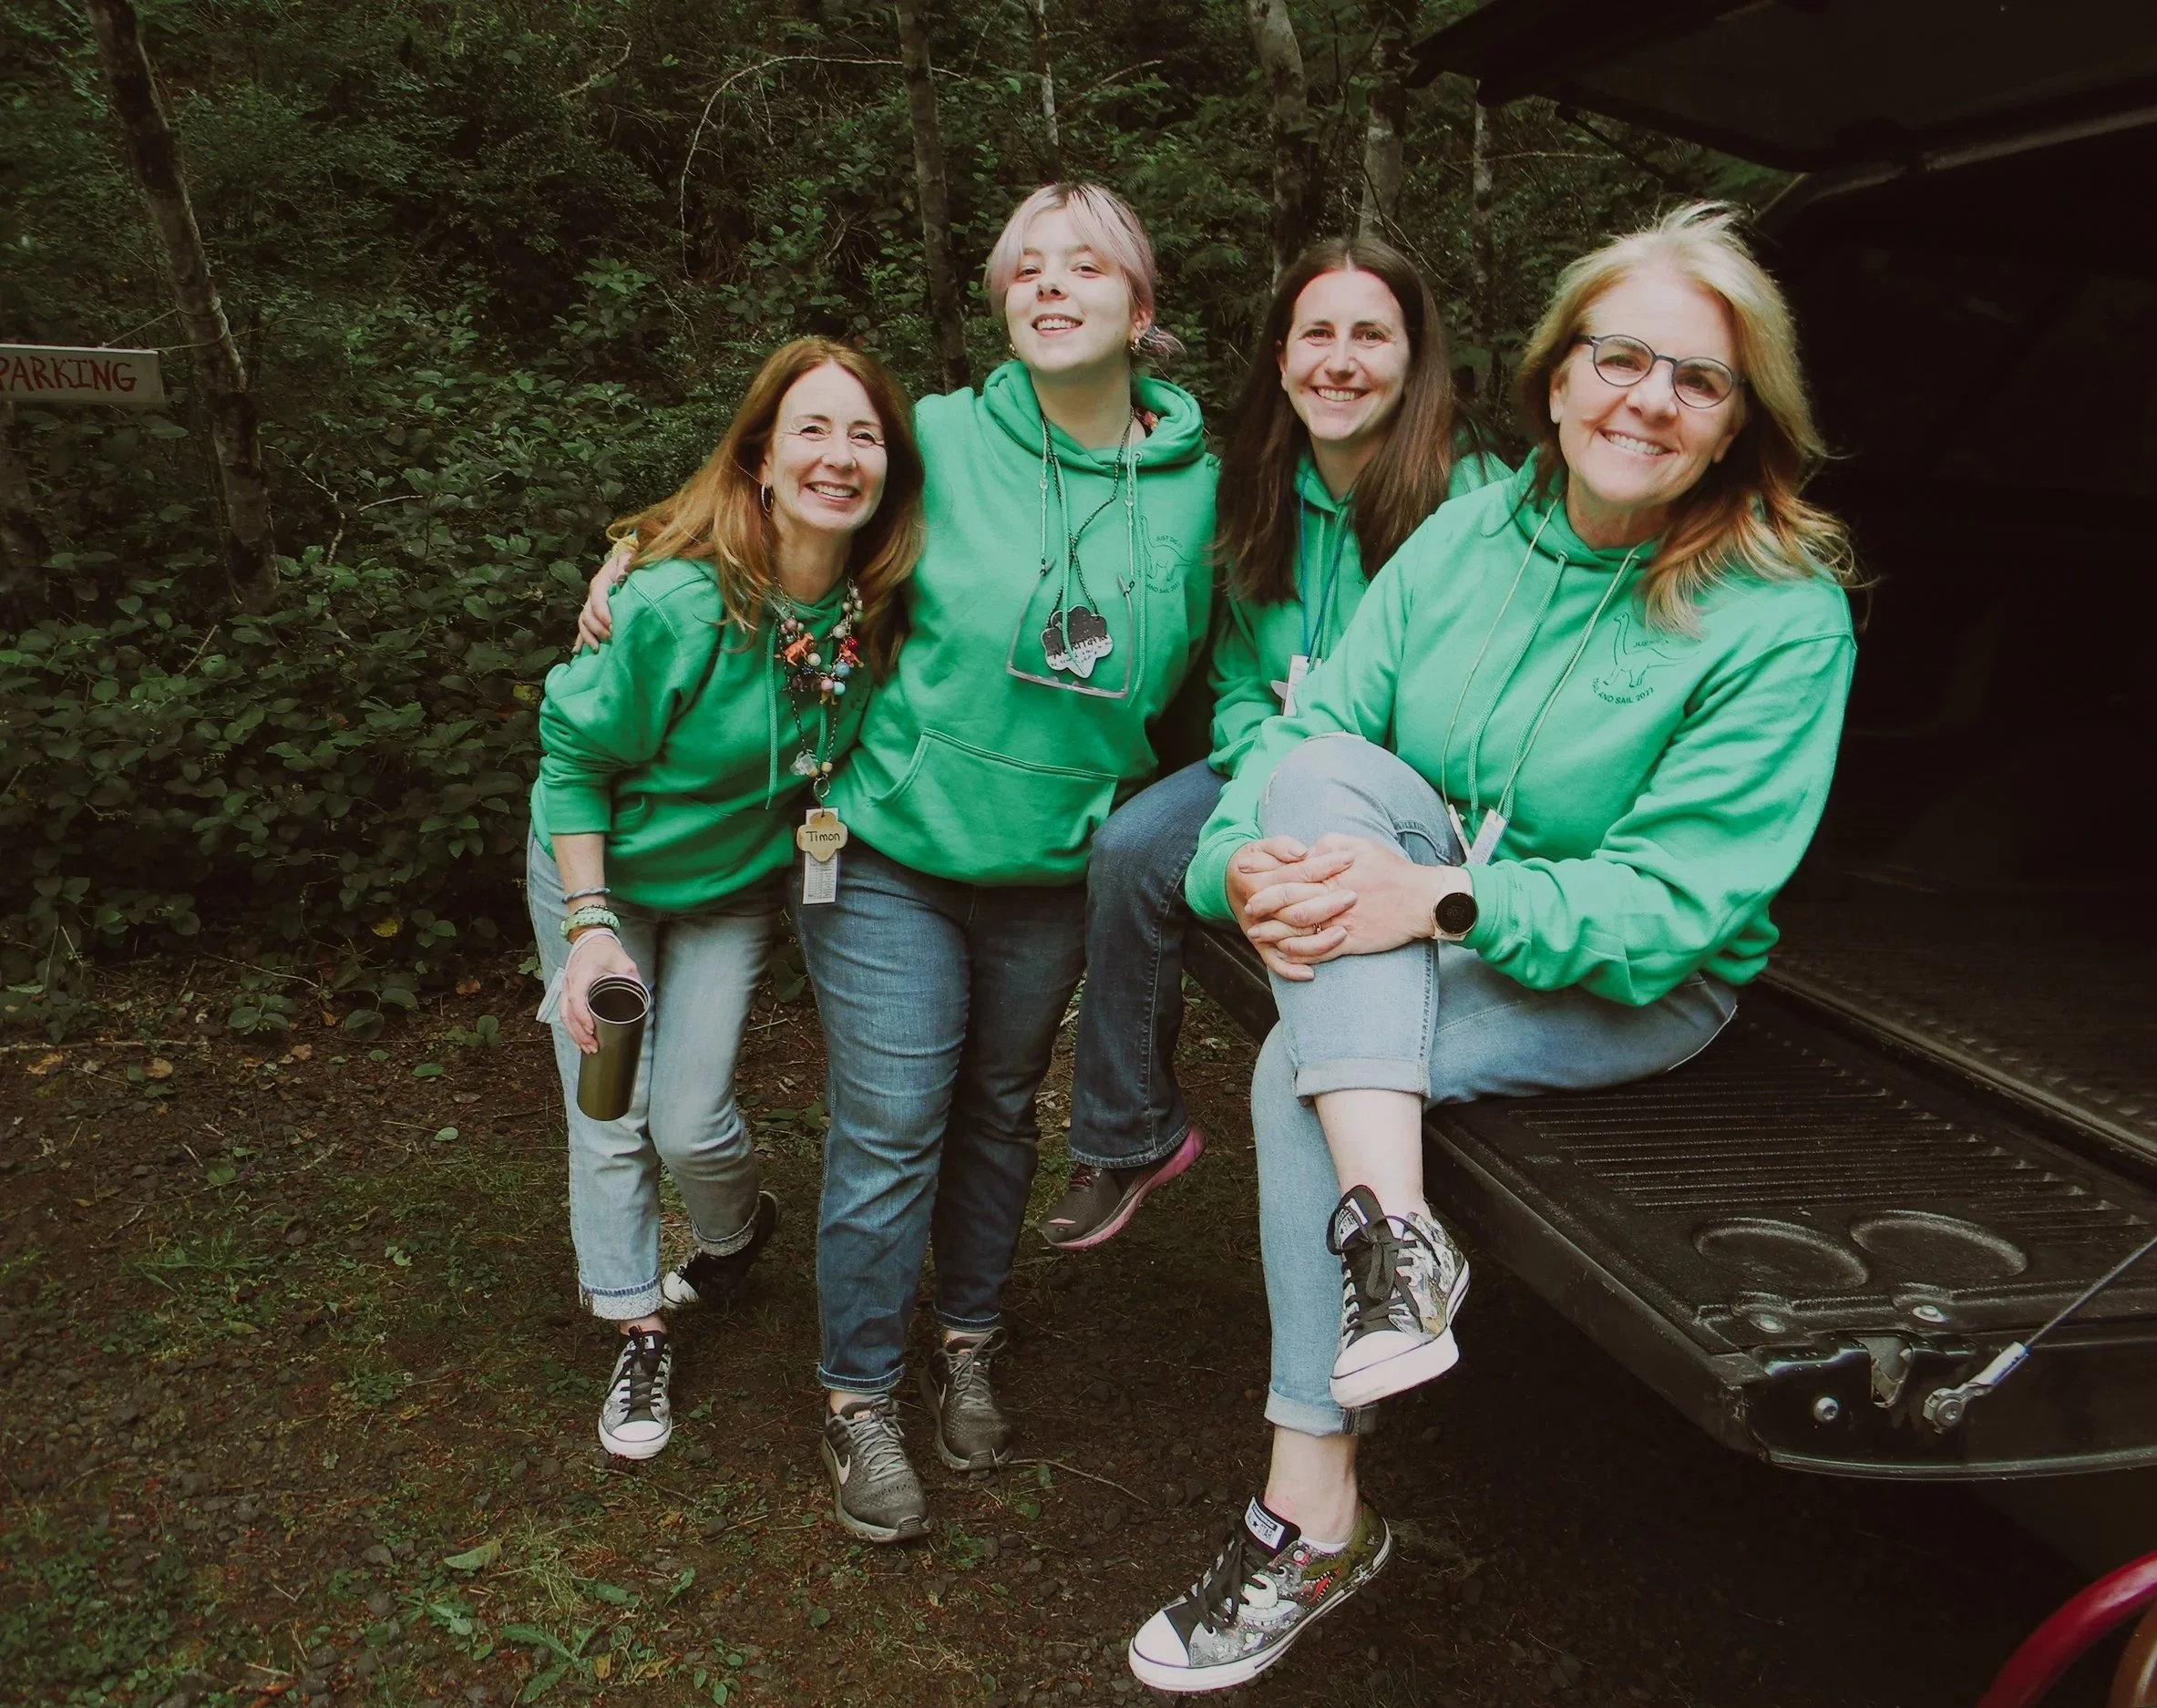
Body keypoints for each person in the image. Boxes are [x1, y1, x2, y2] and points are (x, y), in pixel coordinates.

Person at [1125, 202, 1859, 1692]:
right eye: (1622, 356)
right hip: (1436, 879)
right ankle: (1395, 1238)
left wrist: (1441, 904)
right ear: (1558, 373)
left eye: (1698, 380)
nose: (1649, 397)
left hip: (1638, 971)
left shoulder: (1780, 617)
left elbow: (1675, 907)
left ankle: (1306, 1512)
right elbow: (1319, 727)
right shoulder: (1474, 529)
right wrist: (1240, 867)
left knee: (1291, 1076)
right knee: (1323, 779)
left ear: (1738, 425)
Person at [792, 182, 1216, 1541]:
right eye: (1023, 267)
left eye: (1083, 265)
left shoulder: (1211, 488)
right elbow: (783, 506)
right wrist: (638, 554)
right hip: (891, 848)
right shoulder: (935, 437)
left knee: (995, 1107)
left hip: (1055, 864)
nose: (1049, 285)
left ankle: (967, 1335)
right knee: (896, 1114)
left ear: (1138, 310)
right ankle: (859, 1399)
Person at [1043, 237, 1509, 1250]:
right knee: (1131, 848)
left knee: (1338, 898)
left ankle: (1386, 1161)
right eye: (1317, 334)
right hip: (1268, 753)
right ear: (1282, 355)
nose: (1339, 360)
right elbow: (1241, 677)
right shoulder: (1255, 481)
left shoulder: (1473, 498)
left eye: (1370, 335)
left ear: (1414, 356)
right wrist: (1268, 784)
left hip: (1411, 784)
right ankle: (1130, 1132)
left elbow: (1484, 695)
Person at [529, 337, 921, 1463]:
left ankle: (738, 1229)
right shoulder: (674, 606)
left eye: (864, 434)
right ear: (760, 455)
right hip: (595, 866)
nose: (838, 455)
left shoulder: (882, 600)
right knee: (608, 1108)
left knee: (691, 1116)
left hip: (728, 887)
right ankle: (635, 1318)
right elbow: (571, 753)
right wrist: (588, 925)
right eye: (810, 428)